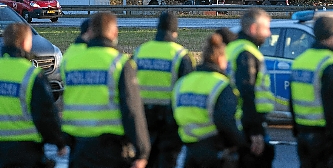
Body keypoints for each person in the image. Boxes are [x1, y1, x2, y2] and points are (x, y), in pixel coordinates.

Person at [61, 12, 151, 168]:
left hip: (78, 148)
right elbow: (132, 109)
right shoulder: (119, 63)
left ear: (90, 32)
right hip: (111, 149)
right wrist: (142, 151)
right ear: (114, 33)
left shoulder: (71, 62)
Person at [173, 32, 249, 168]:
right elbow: (225, 120)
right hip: (214, 150)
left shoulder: (183, 83)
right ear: (220, 59)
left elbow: (172, 115)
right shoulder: (221, 85)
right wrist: (242, 143)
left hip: (189, 150)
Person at [133, 11, 194, 168]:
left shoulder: (140, 52)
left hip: (142, 118)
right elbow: (187, 93)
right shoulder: (180, 55)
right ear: (175, 32)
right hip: (170, 121)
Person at [0, 23, 67, 167]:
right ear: (25, 42)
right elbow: (45, 112)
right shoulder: (31, 75)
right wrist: (58, 142)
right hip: (25, 149)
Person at [289, 16, 333, 168]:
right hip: (324, 135)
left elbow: (291, 101)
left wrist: (297, 130)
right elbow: (332, 106)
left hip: (303, 133)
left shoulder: (300, 61)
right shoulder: (330, 63)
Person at [226, 8, 274, 168]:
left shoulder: (233, 48)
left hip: (233, 121)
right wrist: (255, 131)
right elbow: (247, 92)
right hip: (246, 124)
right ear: (253, 29)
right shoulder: (247, 53)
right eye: (266, 28)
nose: (268, 33)